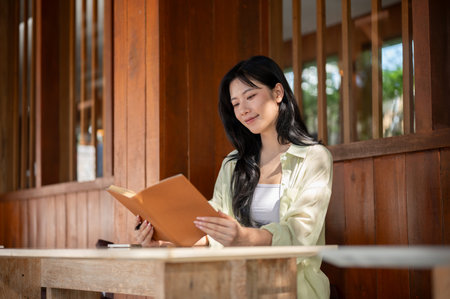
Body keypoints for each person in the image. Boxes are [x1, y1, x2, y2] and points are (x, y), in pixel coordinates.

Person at [134, 55, 333, 299]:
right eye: (236, 103)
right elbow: (212, 229)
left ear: (278, 92)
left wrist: (243, 237)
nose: (243, 110)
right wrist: (163, 241)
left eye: (250, 96)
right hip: (235, 285)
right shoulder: (233, 164)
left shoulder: (315, 158)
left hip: (291, 287)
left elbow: (301, 234)